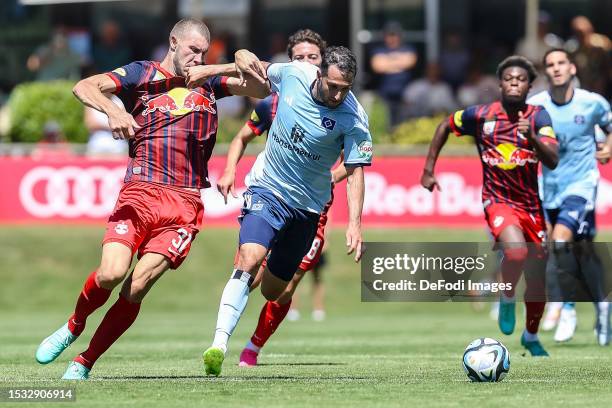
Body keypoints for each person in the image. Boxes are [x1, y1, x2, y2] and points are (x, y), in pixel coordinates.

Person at [34, 18, 267, 380]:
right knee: (111, 273)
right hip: (141, 192)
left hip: (185, 203)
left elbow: (260, 86)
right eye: (192, 50)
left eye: (203, 52)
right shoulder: (141, 74)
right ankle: (74, 324)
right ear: (173, 42)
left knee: (137, 285)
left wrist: (233, 58)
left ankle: (85, 362)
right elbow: (85, 86)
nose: (197, 57)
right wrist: (114, 110)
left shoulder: (211, 82)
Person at [202, 45, 372, 376]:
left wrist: (355, 223)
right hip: (268, 188)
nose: (338, 95)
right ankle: (218, 345)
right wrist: (236, 56)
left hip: (307, 209)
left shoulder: (353, 119)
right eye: (333, 86)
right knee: (248, 259)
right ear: (320, 73)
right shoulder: (294, 73)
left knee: (273, 290)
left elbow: (356, 170)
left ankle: (253, 319)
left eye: (345, 89)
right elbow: (260, 69)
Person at [421, 55, 559, 356]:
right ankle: (507, 296)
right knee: (516, 251)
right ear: (500, 83)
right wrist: (429, 168)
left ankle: (531, 336)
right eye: (509, 78)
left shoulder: (539, 116)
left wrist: (531, 138)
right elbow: (445, 124)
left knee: (537, 282)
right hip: (497, 201)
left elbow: (552, 159)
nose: (514, 82)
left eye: (520, 79)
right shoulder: (481, 115)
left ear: (529, 86)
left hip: (532, 206)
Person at [528, 48, 612, 345]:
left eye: (561, 63)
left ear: (572, 68)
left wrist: (608, 147)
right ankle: (603, 306)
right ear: (546, 71)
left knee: (561, 242)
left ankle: (567, 310)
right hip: (549, 189)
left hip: (581, 185)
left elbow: (609, 126)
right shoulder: (535, 106)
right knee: (582, 252)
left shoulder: (592, 103)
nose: (556, 68)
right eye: (550, 64)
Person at [370, 21, 417, 128]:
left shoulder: (408, 48)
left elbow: (410, 62)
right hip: (384, 94)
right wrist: (399, 62)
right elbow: (377, 66)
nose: (392, 38)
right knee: (387, 124)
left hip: (405, 93)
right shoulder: (379, 50)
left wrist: (388, 62)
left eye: (394, 35)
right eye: (389, 35)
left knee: (404, 124)